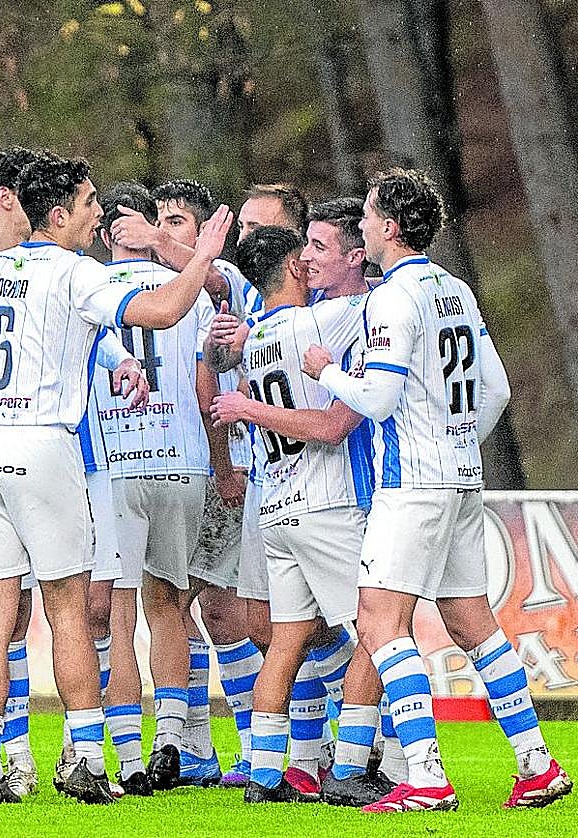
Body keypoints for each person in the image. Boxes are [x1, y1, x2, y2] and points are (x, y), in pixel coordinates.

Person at [0, 152, 234, 804]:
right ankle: (86, 758)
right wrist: (201, 256)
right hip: (41, 449)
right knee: (67, 612)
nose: (98, 216)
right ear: (58, 214)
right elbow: (166, 311)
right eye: (89, 204)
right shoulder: (74, 273)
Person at [302, 168, 571, 812]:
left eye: (367, 215)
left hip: (411, 480)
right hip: (460, 476)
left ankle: (422, 777)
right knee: (470, 620)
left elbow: (379, 396)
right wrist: (457, 441)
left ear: (390, 226)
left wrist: (329, 371)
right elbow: (498, 389)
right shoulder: (456, 289)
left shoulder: (391, 298)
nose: (362, 226)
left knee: (379, 621)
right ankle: (537, 764)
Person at [209, 225, 368, 803]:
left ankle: (266, 774)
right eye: (308, 257)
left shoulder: (252, 344)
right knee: (380, 629)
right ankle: (355, 765)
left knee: (286, 639)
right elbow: (382, 301)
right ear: (297, 269)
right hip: (325, 501)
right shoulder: (319, 323)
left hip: (273, 506)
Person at [93, 181, 227, 793]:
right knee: (170, 606)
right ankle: (174, 739)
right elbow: (209, 373)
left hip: (115, 464)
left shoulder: (86, 290)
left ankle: (126, 755)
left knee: (118, 616)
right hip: (183, 462)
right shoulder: (192, 290)